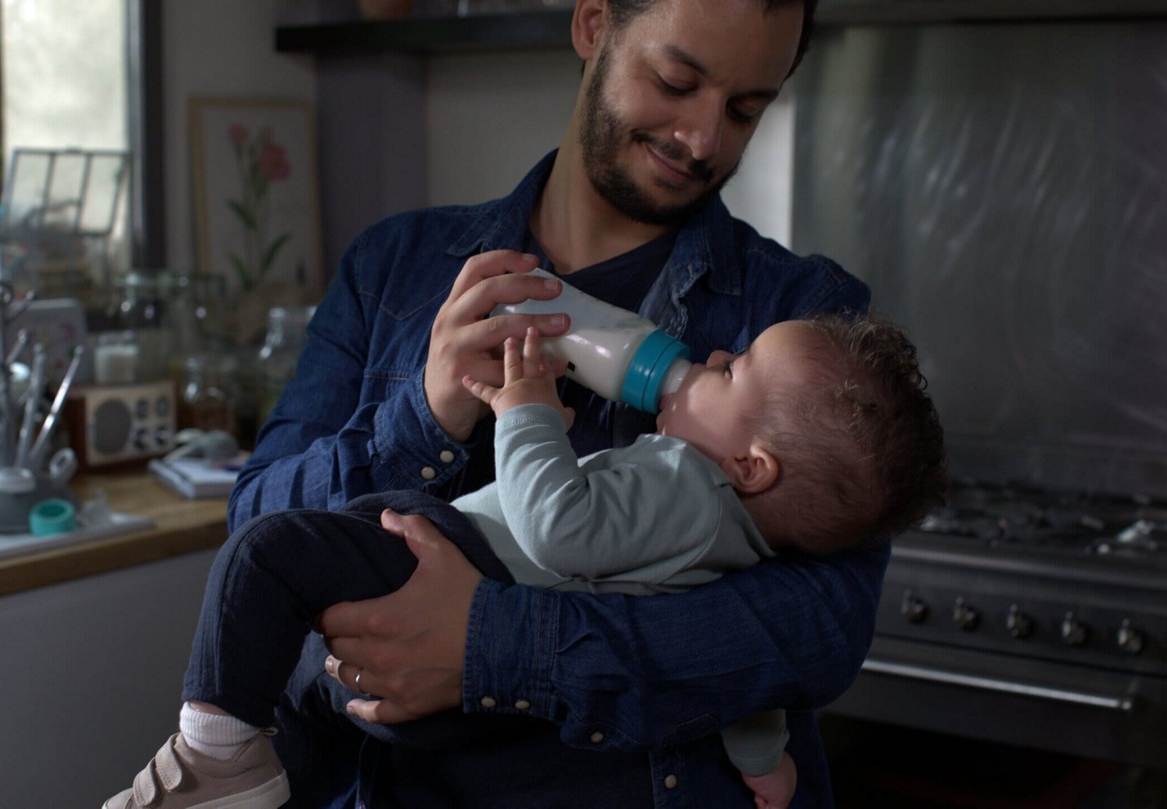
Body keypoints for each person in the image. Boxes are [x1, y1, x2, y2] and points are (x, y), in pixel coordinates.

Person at [210, 0, 892, 806]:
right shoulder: (394, 268)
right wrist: (423, 419)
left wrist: (490, 644)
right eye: (677, 82)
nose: (703, 139)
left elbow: (820, 627)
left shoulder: (796, 319)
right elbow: (256, 526)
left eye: (746, 109)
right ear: (593, 26)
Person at [104, 315, 947, 809]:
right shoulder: (734, 552)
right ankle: (242, 780)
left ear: (751, 466)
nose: (715, 358)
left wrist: (526, 411)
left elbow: (559, 528)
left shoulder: (683, 477)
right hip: (468, 701)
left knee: (270, 552)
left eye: (737, 370)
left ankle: (211, 755)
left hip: (466, 574)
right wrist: (770, 767)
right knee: (314, 718)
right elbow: (749, 690)